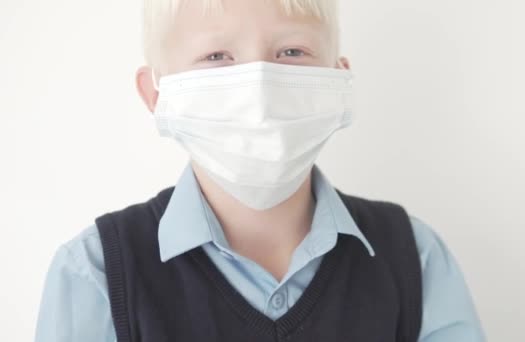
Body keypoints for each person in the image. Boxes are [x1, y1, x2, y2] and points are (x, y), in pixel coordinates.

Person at [35, 0, 485, 341]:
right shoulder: (95, 273)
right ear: (156, 95)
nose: (260, 87)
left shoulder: (416, 257)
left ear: (339, 82)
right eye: (217, 57)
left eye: (292, 50)